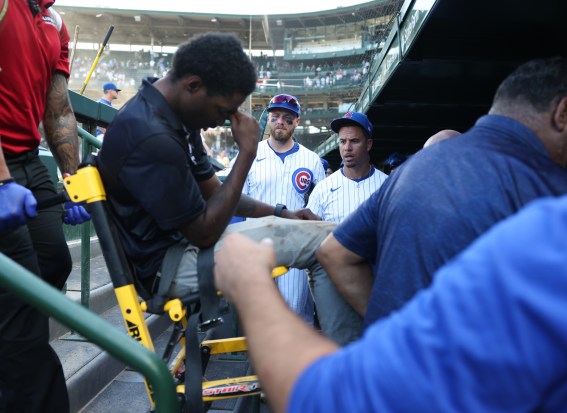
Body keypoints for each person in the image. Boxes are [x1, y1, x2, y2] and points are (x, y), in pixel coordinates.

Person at [213, 2, 567, 409]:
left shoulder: (416, 172)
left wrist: (250, 285)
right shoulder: (560, 204)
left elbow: (333, 394)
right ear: (563, 112)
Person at [317, 56, 567, 327]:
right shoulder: (555, 192)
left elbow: (335, 253)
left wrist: (391, 328)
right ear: (564, 113)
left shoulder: (409, 170)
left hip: (391, 360)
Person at [97, 33, 335, 309]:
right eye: (223, 109)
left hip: (187, 247)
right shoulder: (152, 135)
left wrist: (282, 213)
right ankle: (354, 348)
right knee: (329, 242)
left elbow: (217, 194)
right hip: (171, 267)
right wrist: (247, 153)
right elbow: (205, 233)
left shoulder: (175, 117)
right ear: (194, 85)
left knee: (331, 234)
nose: (221, 120)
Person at [0, 1, 90, 411]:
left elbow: (58, 109)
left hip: (27, 157)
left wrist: (72, 179)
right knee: (20, 298)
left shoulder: (55, 22)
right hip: (2, 159)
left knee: (54, 260)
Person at [237, 93, 325, 324]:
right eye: (275, 116)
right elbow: (236, 199)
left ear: (297, 122)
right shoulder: (250, 153)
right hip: (257, 243)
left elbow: (318, 206)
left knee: (296, 311)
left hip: (295, 246)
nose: (280, 122)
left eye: (288, 118)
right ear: (269, 118)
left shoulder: (311, 159)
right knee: (258, 315)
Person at [306, 112, 388, 344]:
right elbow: (312, 239)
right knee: (338, 344)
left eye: (355, 141)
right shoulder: (323, 188)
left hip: (374, 281)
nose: (347, 148)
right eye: (342, 142)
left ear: (369, 144)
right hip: (334, 281)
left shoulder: (386, 185)